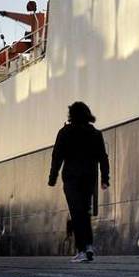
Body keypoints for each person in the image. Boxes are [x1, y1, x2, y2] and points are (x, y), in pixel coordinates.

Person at [47, 100, 111, 262]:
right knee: (85, 211)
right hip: (89, 178)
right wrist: (105, 178)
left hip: (72, 178)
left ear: (71, 115)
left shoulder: (65, 132)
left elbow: (57, 156)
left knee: (76, 212)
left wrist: (52, 177)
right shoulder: (95, 134)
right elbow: (103, 158)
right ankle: (88, 246)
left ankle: (82, 249)